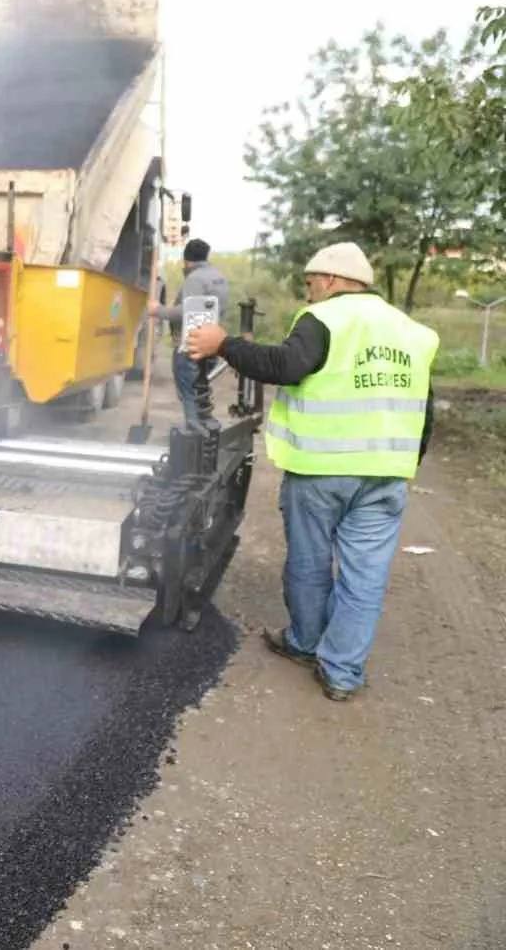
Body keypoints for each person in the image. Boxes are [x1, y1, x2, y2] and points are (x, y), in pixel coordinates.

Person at [187, 241, 438, 702]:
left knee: (310, 560)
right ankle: (342, 673)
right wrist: (407, 463)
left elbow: (285, 366)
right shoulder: (411, 331)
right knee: (365, 576)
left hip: (322, 470)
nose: (308, 295)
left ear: (331, 280)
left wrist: (223, 343)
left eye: (309, 285)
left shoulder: (324, 320)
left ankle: (305, 643)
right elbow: (425, 407)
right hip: (386, 475)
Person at [148, 238, 230, 427]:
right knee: (201, 391)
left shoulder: (195, 279)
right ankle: (207, 429)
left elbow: (186, 313)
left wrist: (157, 310)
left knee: (189, 394)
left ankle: (195, 435)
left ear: (187, 261)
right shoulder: (218, 277)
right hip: (211, 344)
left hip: (190, 346)